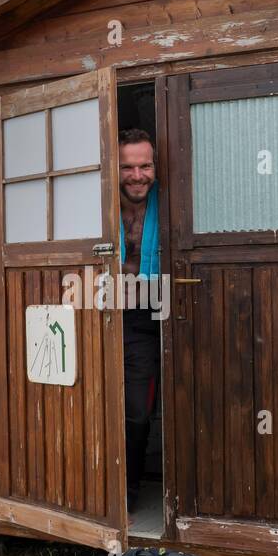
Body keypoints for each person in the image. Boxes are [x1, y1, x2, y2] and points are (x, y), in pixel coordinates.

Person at [118, 128, 159, 513]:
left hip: (151, 315)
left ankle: (128, 492)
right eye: (127, 167)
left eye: (144, 165)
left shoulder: (170, 201)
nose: (136, 175)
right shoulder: (96, 201)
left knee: (137, 409)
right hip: (100, 310)